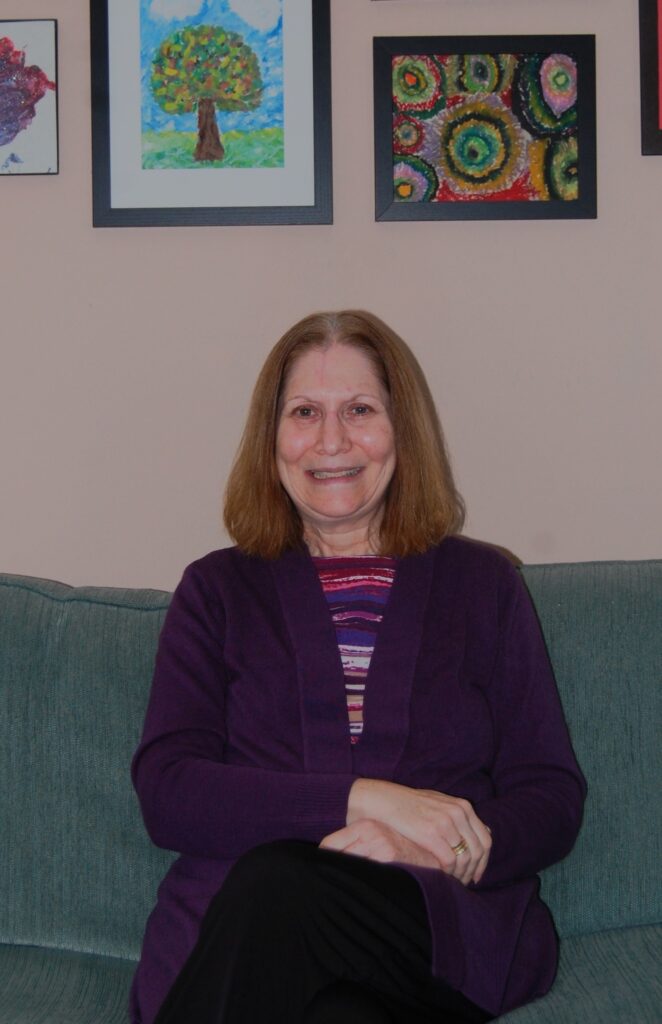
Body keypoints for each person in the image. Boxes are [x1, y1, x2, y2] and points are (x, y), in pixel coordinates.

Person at [130, 310, 586, 1024]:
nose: (332, 439)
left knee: (279, 882)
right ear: (271, 439)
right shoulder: (216, 591)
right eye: (305, 412)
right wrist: (366, 799)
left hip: (427, 930)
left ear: (402, 431)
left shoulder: (483, 585)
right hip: (240, 934)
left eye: (360, 410)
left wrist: (425, 846)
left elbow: (551, 799)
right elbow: (169, 793)